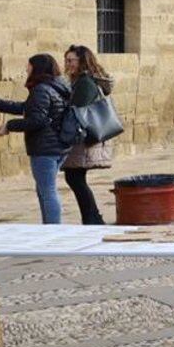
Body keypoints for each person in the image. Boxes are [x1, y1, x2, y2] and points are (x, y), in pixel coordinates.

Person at [0, 54, 76, 224]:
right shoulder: (55, 87)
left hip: (45, 148)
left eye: (29, 66)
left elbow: (36, 120)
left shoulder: (41, 89)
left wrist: (9, 126)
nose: (26, 69)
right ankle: (48, 227)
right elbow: (28, 108)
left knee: (48, 191)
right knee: (44, 189)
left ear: (37, 68)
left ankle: (53, 229)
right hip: (57, 146)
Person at [60, 45, 114, 225]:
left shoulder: (84, 83)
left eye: (71, 60)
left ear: (81, 61)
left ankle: (93, 219)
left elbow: (77, 108)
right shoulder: (83, 80)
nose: (68, 64)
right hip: (84, 137)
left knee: (75, 177)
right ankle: (92, 218)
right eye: (66, 60)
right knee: (76, 177)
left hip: (83, 137)